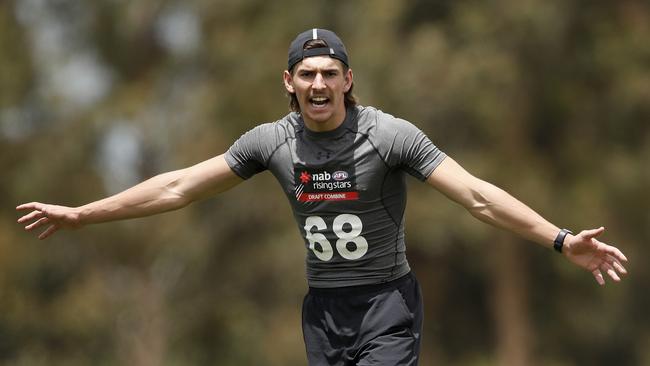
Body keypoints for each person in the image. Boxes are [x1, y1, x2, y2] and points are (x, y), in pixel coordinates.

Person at [17, 28, 628, 365]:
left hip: (388, 307)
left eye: (329, 73)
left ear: (347, 80)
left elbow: (476, 196)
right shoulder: (269, 142)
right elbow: (178, 185)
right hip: (323, 314)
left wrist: (560, 238)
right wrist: (84, 214)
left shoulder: (389, 136)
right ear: (289, 83)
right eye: (306, 74)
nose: (318, 83)